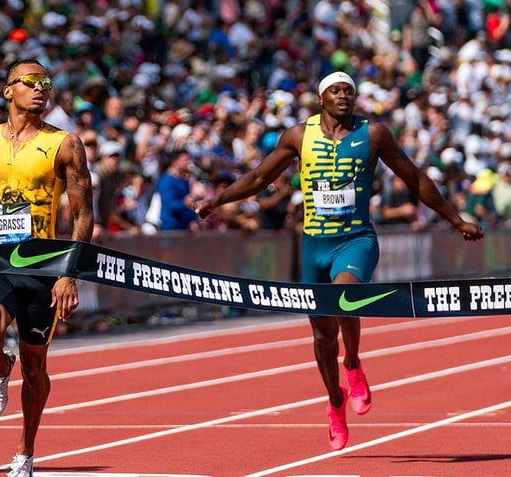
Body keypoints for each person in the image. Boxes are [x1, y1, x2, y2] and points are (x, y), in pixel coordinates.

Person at [195, 71, 483, 451]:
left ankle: (354, 364)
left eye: (349, 90)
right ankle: (334, 402)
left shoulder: (374, 134)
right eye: (336, 90)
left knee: (345, 294)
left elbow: (414, 178)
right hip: (314, 244)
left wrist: (455, 219)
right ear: (322, 99)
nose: (344, 96)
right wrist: (217, 201)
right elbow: (261, 176)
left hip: (356, 239)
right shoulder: (299, 136)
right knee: (321, 335)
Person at [0, 59, 93, 477]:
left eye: (46, 83)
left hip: (41, 267)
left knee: (36, 367)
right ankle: (1, 366)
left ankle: (25, 451)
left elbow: (83, 215)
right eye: (31, 82)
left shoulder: (65, 144)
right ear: (8, 91)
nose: (41, 89)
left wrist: (69, 273)